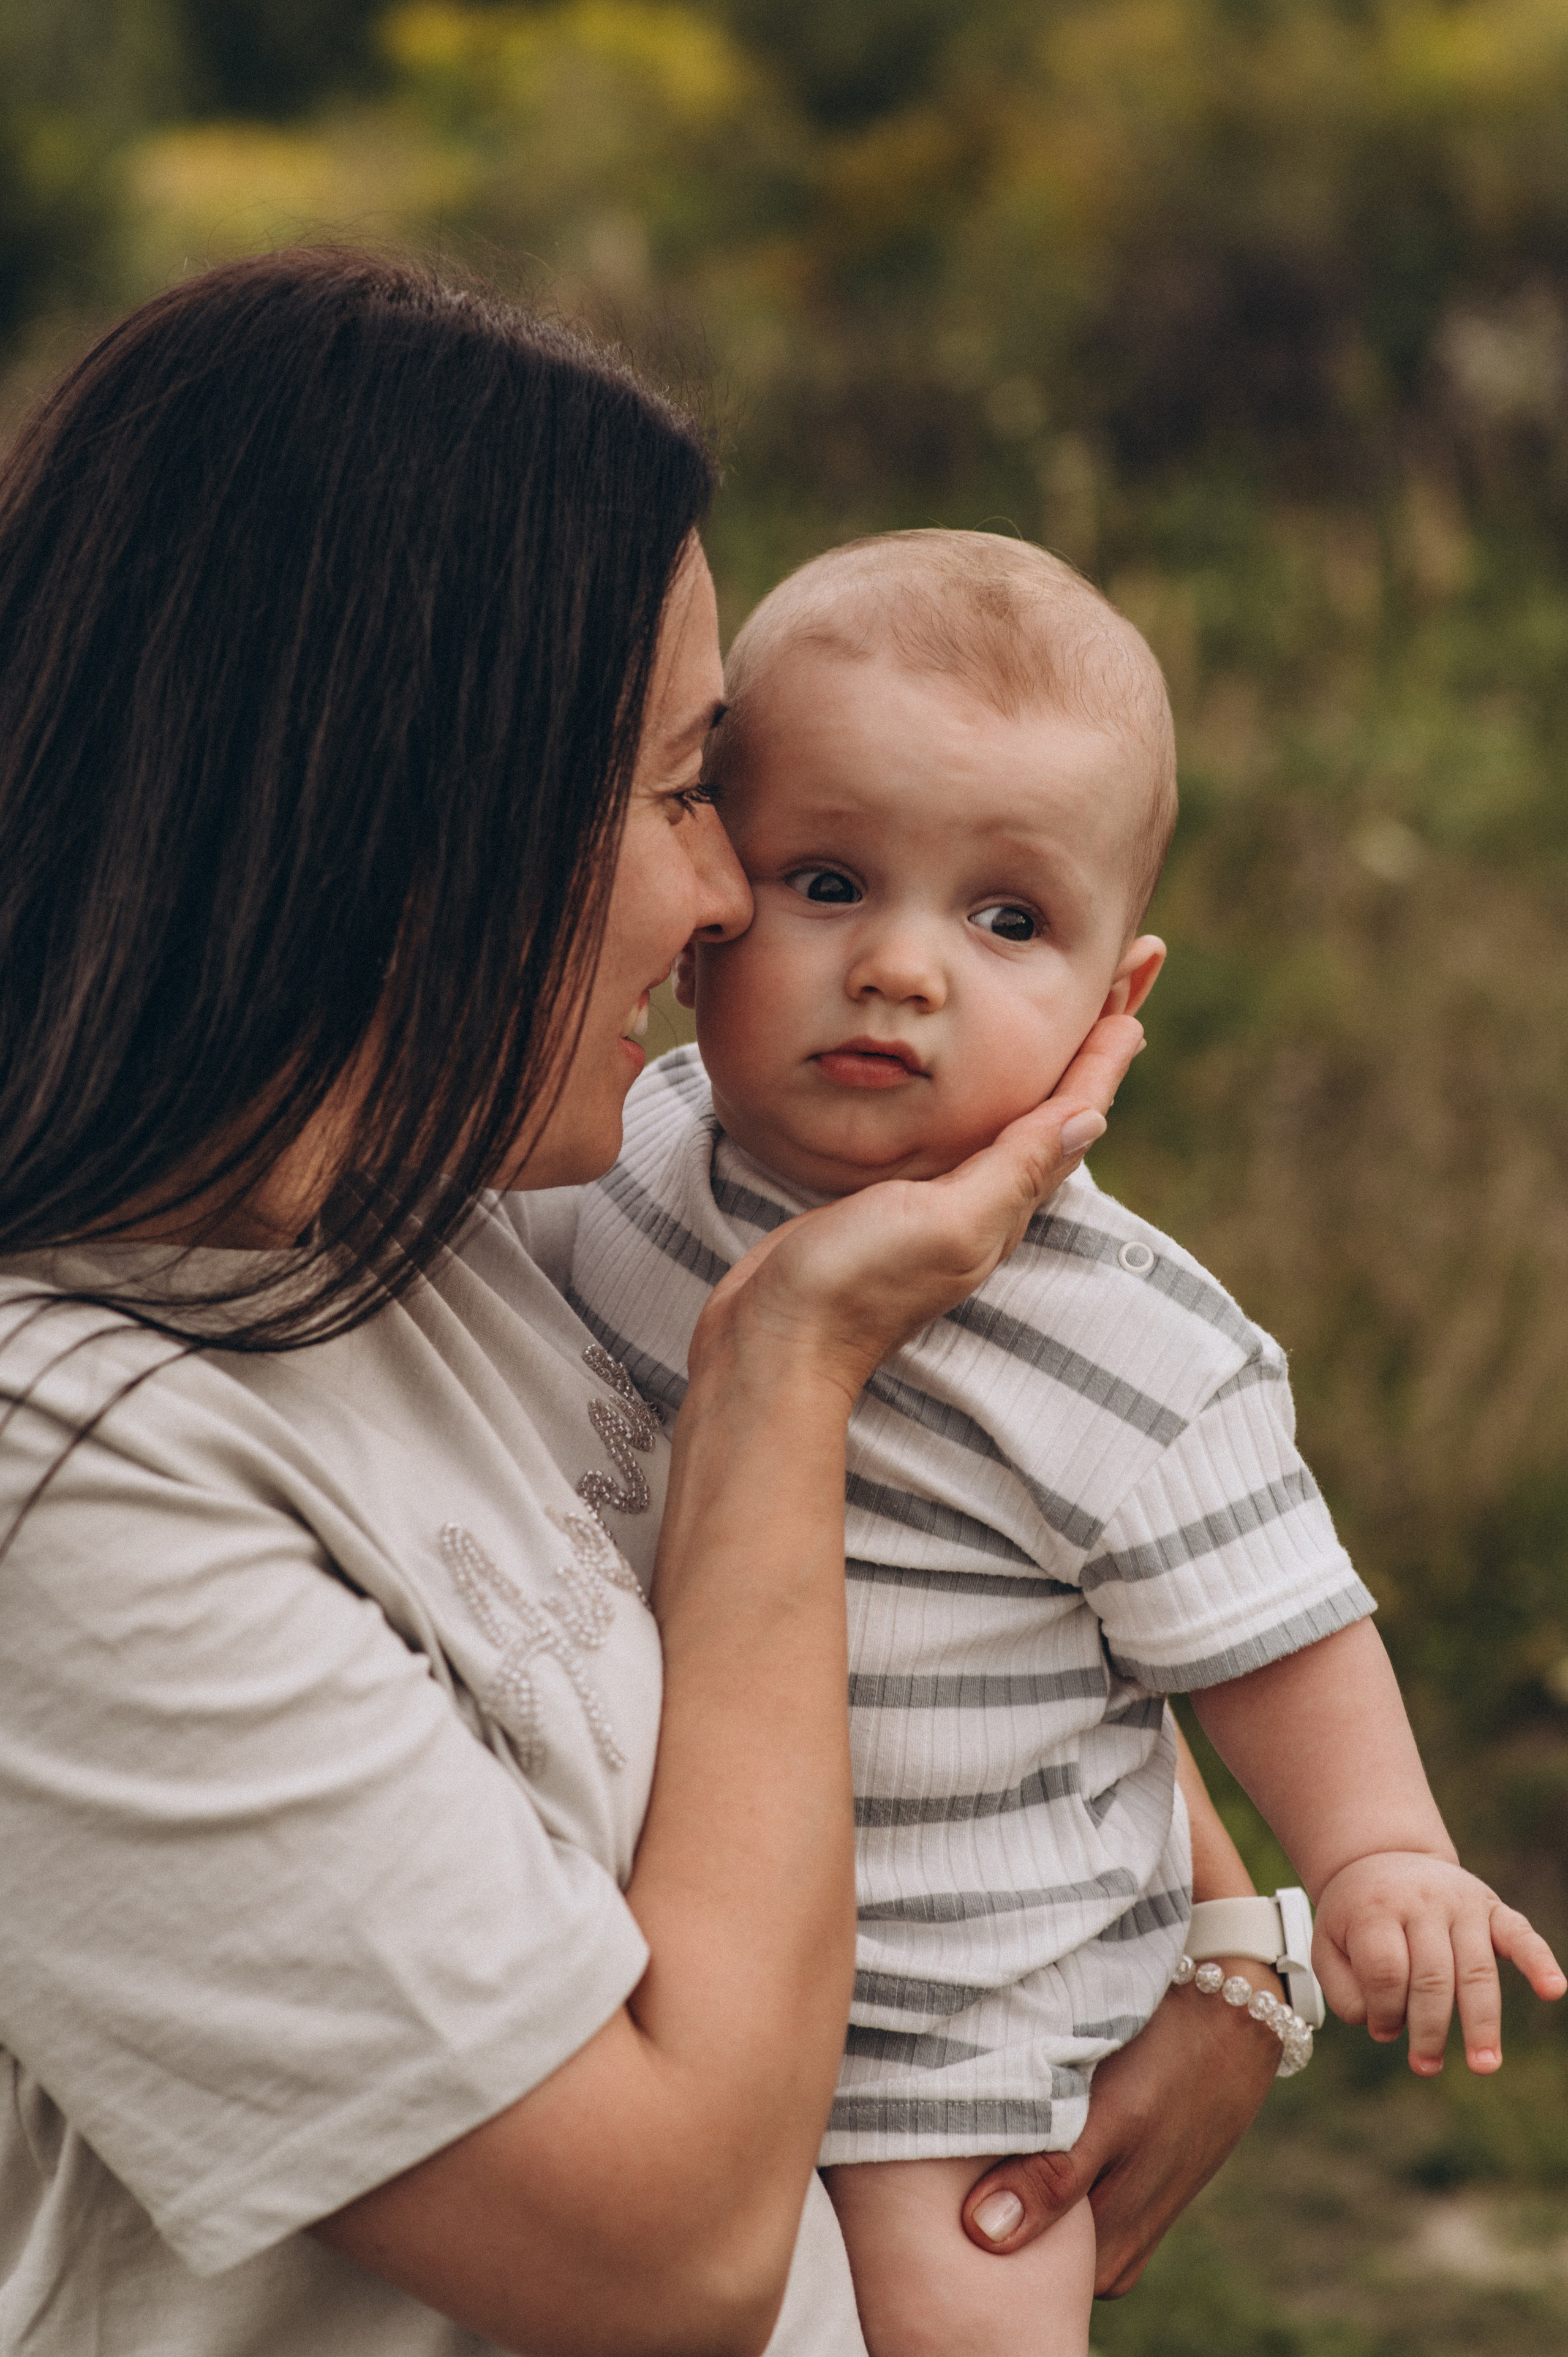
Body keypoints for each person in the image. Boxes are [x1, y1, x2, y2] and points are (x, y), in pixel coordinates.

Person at [0, 254, 1298, 2357]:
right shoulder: (60, 1487)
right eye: (684, 791)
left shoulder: (442, 1215)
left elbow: (951, 1588)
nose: (719, 901)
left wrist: (1235, 1947)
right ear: (401, 815)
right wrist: (792, 1363)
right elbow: (668, 2261)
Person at [560, 529, 1568, 2357]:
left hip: (951, 2054)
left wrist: (1373, 1857)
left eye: (1007, 919)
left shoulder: (1130, 1339)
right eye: (828, 882)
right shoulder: (621, 1153)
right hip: (635, 1971)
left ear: (1121, 995)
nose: (901, 969)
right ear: (708, 911)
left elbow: (1273, 1627)